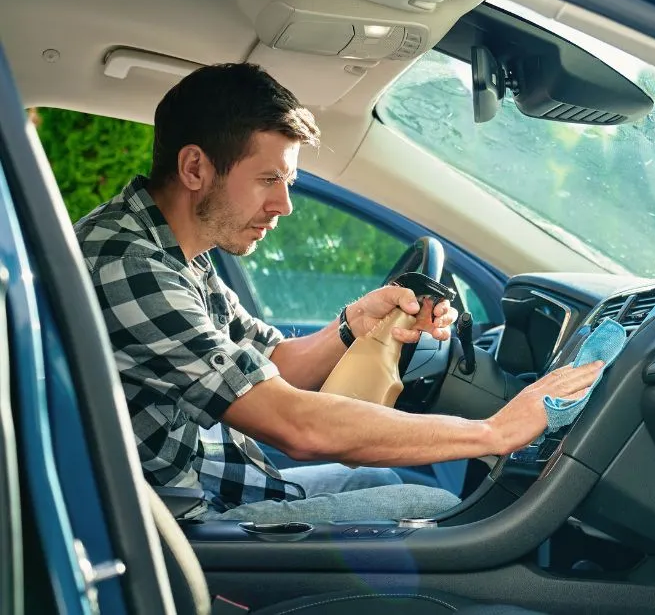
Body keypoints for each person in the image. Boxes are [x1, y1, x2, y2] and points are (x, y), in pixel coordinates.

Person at [73, 63, 603, 523]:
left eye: (289, 183)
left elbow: (276, 362)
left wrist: (356, 324)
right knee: (433, 508)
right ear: (194, 168)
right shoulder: (130, 267)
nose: (284, 205)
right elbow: (294, 426)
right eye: (267, 180)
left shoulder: (177, 249)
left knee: (384, 487)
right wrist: (495, 431)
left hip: (216, 479)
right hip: (182, 529)